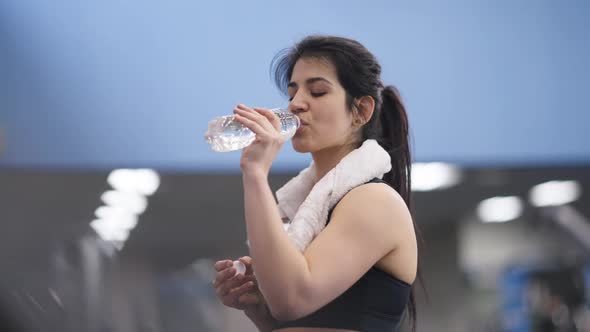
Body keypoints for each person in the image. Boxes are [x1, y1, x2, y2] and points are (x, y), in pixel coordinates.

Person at [212, 35, 419, 332]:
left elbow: (291, 299)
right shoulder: (308, 213)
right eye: (292, 92)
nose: (296, 104)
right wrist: (259, 307)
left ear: (360, 111)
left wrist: (256, 174)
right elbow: (295, 312)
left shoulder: (375, 200)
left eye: (318, 91)